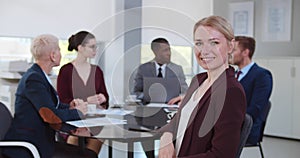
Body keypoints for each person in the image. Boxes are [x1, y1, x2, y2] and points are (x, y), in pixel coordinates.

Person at [158, 15, 246, 157]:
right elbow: (177, 119)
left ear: (230, 46)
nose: (204, 51)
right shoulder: (198, 80)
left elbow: (222, 154)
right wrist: (167, 137)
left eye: (214, 43)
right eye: (199, 43)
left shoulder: (230, 91)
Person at [2, 34, 97, 158]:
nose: (60, 54)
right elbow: (50, 116)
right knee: (88, 156)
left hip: (41, 142)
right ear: (53, 55)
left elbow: (50, 105)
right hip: (30, 147)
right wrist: (78, 112)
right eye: (58, 50)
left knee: (88, 154)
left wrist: (69, 106)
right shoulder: (34, 79)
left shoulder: (39, 75)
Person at [57, 31, 109, 154]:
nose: (95, 49)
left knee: (95, 145)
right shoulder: (66, 71)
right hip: (73, 123)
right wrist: (87, 101)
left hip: (94, 121)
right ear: (80, 48)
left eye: (96, 46)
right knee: (74, 143)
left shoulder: (97, 70)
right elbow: (62, 101)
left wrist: (103, 98)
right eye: (92, 46)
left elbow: (105, 95)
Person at [229, 36, 273, 145]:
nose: (229, 54)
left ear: (245, 52)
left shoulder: (262, 75)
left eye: (233, 50)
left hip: (247, 128)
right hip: (229, 124)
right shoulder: (232, 74)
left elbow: (255, 109)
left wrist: (228, 120)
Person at [133, 37, 188, 105]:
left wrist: (180, 98)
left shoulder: (177, 69)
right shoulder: (143, 69)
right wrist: (147, 97)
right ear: (155, 52)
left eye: (169, 50)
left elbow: (185, 92)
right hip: (148, 108)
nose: (169, 53)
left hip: (171, 107)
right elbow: (136, 92)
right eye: (165, 50)